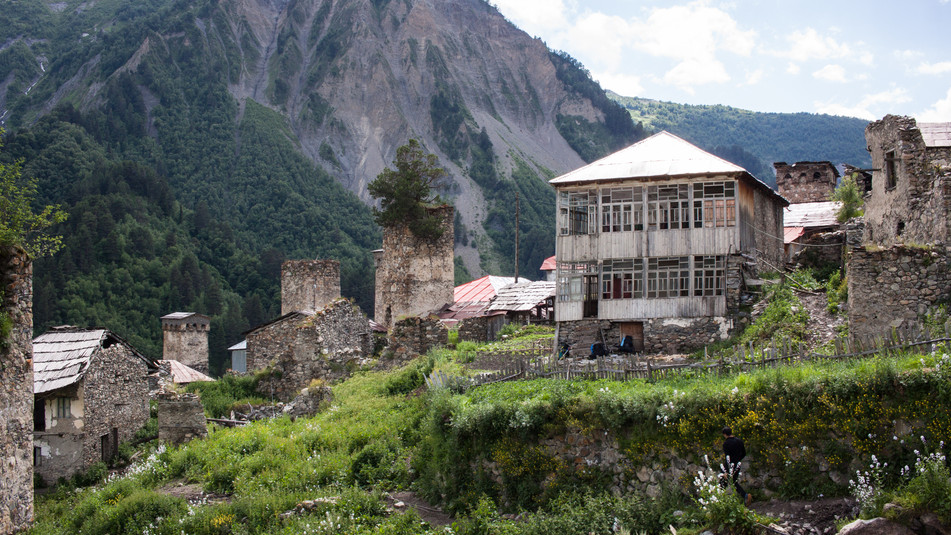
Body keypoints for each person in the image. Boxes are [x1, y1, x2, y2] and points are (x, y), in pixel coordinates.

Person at [720, 426, 752, 506]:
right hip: (737, 464)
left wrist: (726, 471)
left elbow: (728, 457)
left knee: (723, 482)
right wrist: (738, 460)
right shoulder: (739, 441)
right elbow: (744, 453)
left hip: (729, 466)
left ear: (724, 434)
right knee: (733, 482)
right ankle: (744, 496)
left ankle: (720, 500)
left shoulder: (726, 443)